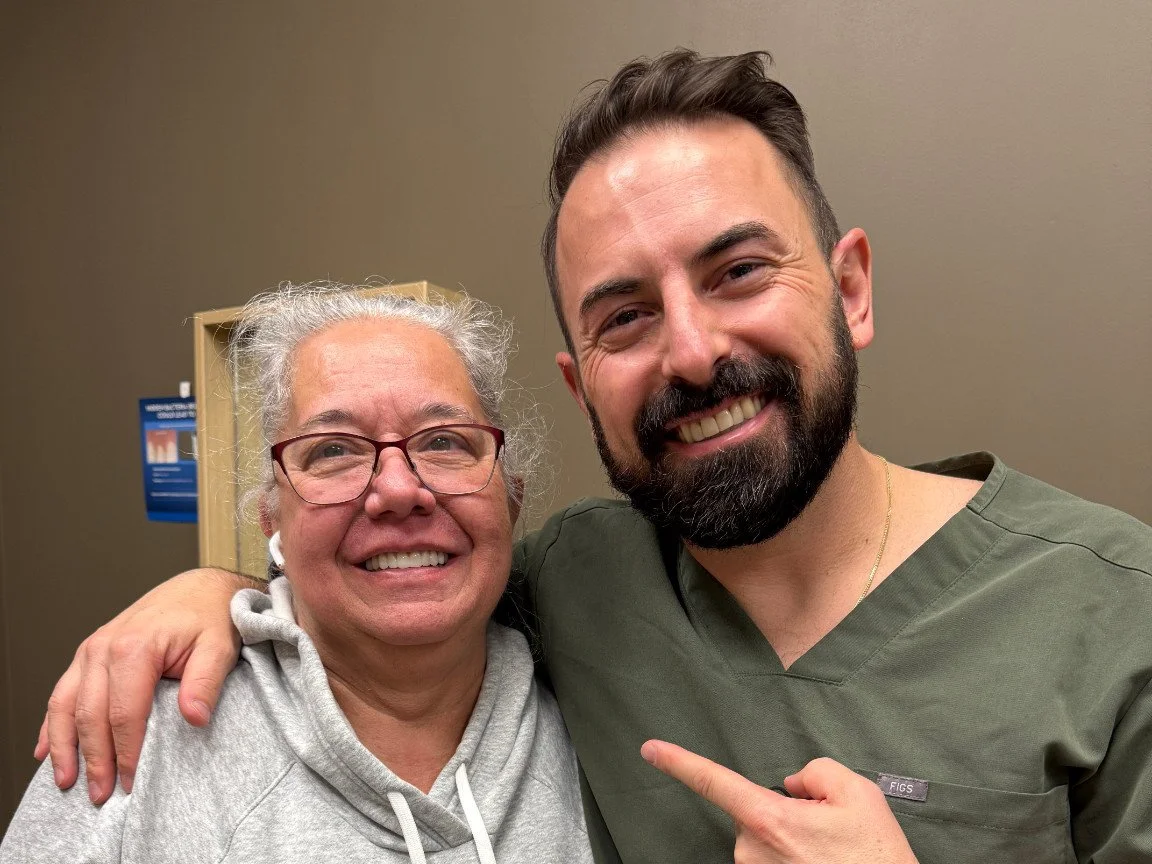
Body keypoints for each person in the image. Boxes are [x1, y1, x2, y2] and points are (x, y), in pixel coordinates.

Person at [33, 50, 1152, 864]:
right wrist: (219, 592)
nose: (694, 350)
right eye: (622, 317)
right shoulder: (574, 583)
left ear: (851, 288)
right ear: (579, 387)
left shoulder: (1111, 617)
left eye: (738, 273)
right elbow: (391, 577)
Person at [3, 285, 593, 863]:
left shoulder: (599, 717)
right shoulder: (140, 742)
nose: (397, 490)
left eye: (444, 441)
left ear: (511, 498)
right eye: (333, 450)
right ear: (272, 519)